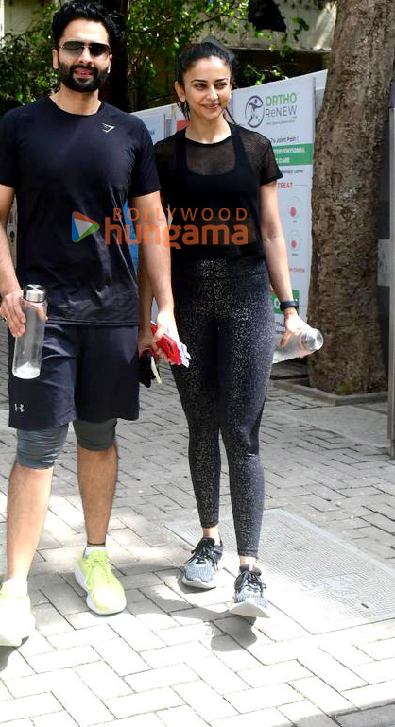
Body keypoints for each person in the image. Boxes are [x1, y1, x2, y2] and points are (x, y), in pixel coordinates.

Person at [0, 0, 177, 647]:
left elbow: (152, 226)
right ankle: (13, 590)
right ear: (56, 53)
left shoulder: (130, 134)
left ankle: (95, 554)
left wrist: (160, 310)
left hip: (114, 316)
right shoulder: (20, 126)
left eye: (96, 49)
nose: (84, 58)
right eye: (74, 47)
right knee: (36, 445)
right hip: (39, 314)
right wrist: (8, 288)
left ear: (109, 62)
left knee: (98, 438)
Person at [141, 42, 307, 617]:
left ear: (231, 88)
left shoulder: (257, 149)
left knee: (243, 431)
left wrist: (288, 306)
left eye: (222, 85)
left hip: (245, 300)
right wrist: (152, 318)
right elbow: (153, 242)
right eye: (201, 86)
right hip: (186, 305)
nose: (213, 96)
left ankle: (250, 570)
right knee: (200, 424)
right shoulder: (161, 157)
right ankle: (209, 539)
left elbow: (270, 230)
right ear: (181, 92)